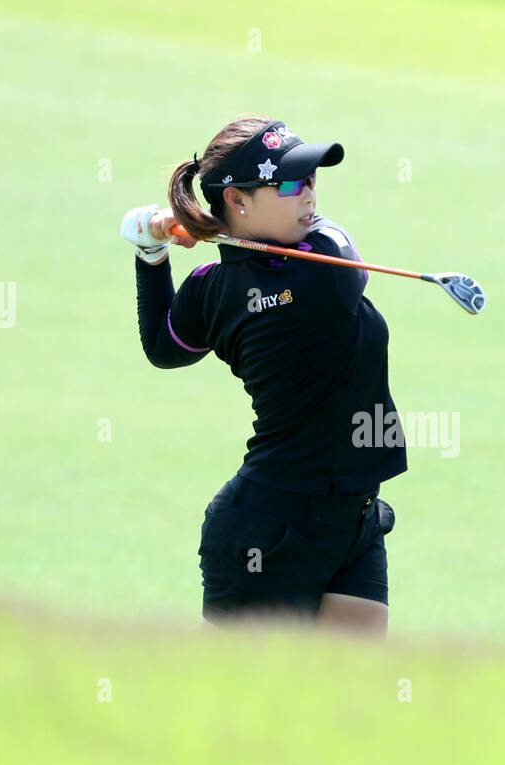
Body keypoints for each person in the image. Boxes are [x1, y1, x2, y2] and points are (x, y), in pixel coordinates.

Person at [120, 115, 406, 637]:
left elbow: (163, 344)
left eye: (312, 179)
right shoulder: (324, 268)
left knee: (354, 688)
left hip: (354, 517)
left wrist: (153, 249)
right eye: (290, 184)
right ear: (237, 199)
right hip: (270, 529)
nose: (309, 195)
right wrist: (188, 232)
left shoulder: (212, 286)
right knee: (235, 689)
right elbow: (338, 247)